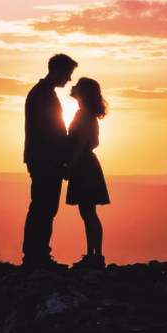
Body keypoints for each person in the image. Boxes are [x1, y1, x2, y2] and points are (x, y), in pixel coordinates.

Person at [21, 53, 77, 268]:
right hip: (46, 159)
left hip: (42, 158)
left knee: (42, 207)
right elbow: (50, 130)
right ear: (59, 71)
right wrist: (66, 155)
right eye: (69, 74)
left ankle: (37, 255)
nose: (69, 79)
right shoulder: (43, 94)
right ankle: (37, 257)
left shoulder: (42, 92)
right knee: (44, 207)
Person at [65, 77, 110, 269]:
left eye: (77, 86)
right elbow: (94, 142)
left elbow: (83, 142)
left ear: (84, 92)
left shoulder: (84, 115)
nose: (72, 87)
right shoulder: (87, 114)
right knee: (87, 212)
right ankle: (93, 255)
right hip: (87, 166)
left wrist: (71, 166)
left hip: (83, 168)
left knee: (89, 213)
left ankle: (96, 256)